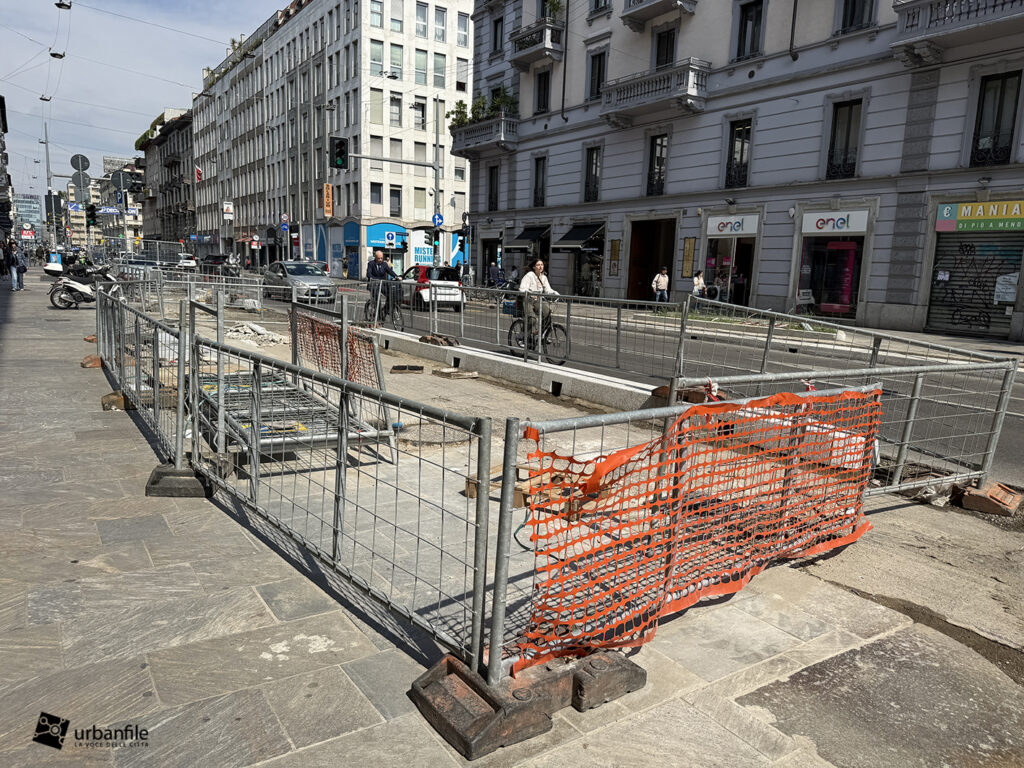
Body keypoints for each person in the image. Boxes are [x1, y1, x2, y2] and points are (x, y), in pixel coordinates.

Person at [519, 257, 559, 340]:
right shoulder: (530, 275)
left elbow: (547, 289)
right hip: (528, 300)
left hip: (537, 300)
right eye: (538, 265)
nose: (541, 267)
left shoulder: (544, 277)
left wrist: (554, 293)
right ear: (534, 267)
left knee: (547, 314)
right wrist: (530, 293)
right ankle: (522, 334)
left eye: (542, 265)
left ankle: (541, 335)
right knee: (532, 319)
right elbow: (522, 288)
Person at [366, 249, 399, 313]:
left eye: (381, 258)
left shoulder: (384, 264)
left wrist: (396, 276)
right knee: (377, 299)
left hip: (382, 284)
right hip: (374, 285)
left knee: (390, 295)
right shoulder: (371, 264)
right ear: (375, 257)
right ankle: (377, 314)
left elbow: (390, 271)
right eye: (379, 258)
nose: (380, 260)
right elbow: (368, 274)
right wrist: (373, 278)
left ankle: (386, 309)